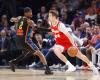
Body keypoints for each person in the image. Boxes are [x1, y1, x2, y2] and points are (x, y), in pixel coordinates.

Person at [48, 10, 99, 74]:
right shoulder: (50, 22)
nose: (48, 17)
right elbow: (53, 31)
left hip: (68, 42)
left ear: (54, 17)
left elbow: (69, 36)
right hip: (60, 43)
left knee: (80, 55)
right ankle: (70, 66)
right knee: (56, 50)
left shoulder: (60, 25)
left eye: (49, 16)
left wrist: (74, 45)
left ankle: (92, 67)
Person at [9, 7, 53, 74]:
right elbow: (37, 29)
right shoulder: (29, 21)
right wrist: (49, 30)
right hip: (25, 41)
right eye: (30, 12)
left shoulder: (19, 17)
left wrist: (14, 20)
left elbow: (11, 19)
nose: (31, 13)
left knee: (27, 53)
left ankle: (14, 62)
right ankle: (47, 69)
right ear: (26, 13)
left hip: (18, 40)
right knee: (39, 53)